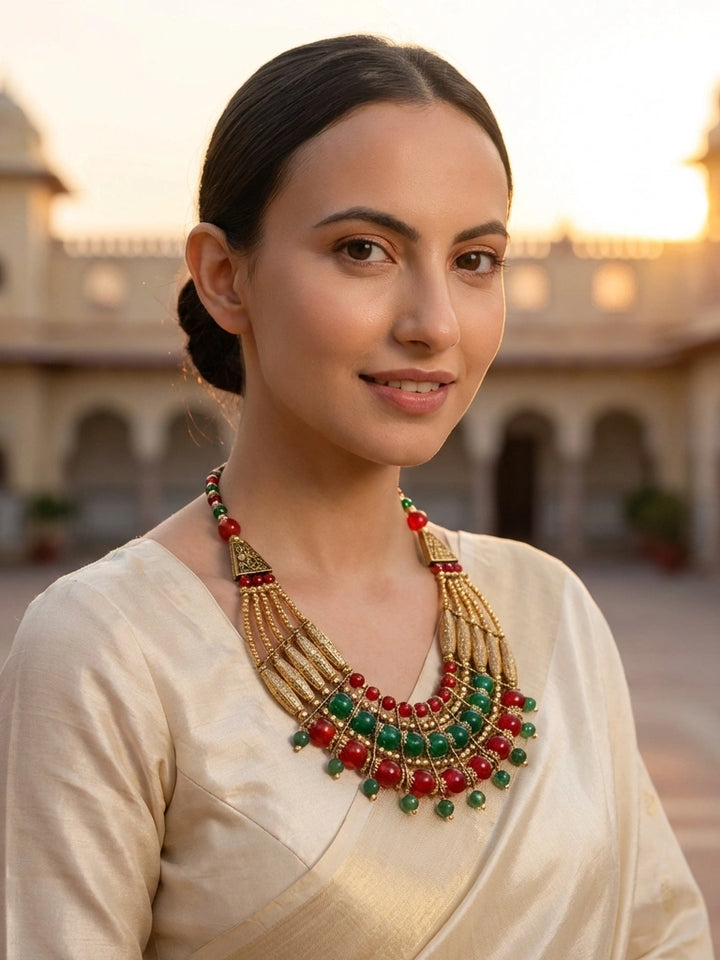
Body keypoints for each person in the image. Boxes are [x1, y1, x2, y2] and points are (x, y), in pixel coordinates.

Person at [0, 34, 712, 960]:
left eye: (476, 259)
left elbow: (664, 934)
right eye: (364, 249)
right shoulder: (111, 650)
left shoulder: (550, 613)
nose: (434, 324)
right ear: (224, 276)